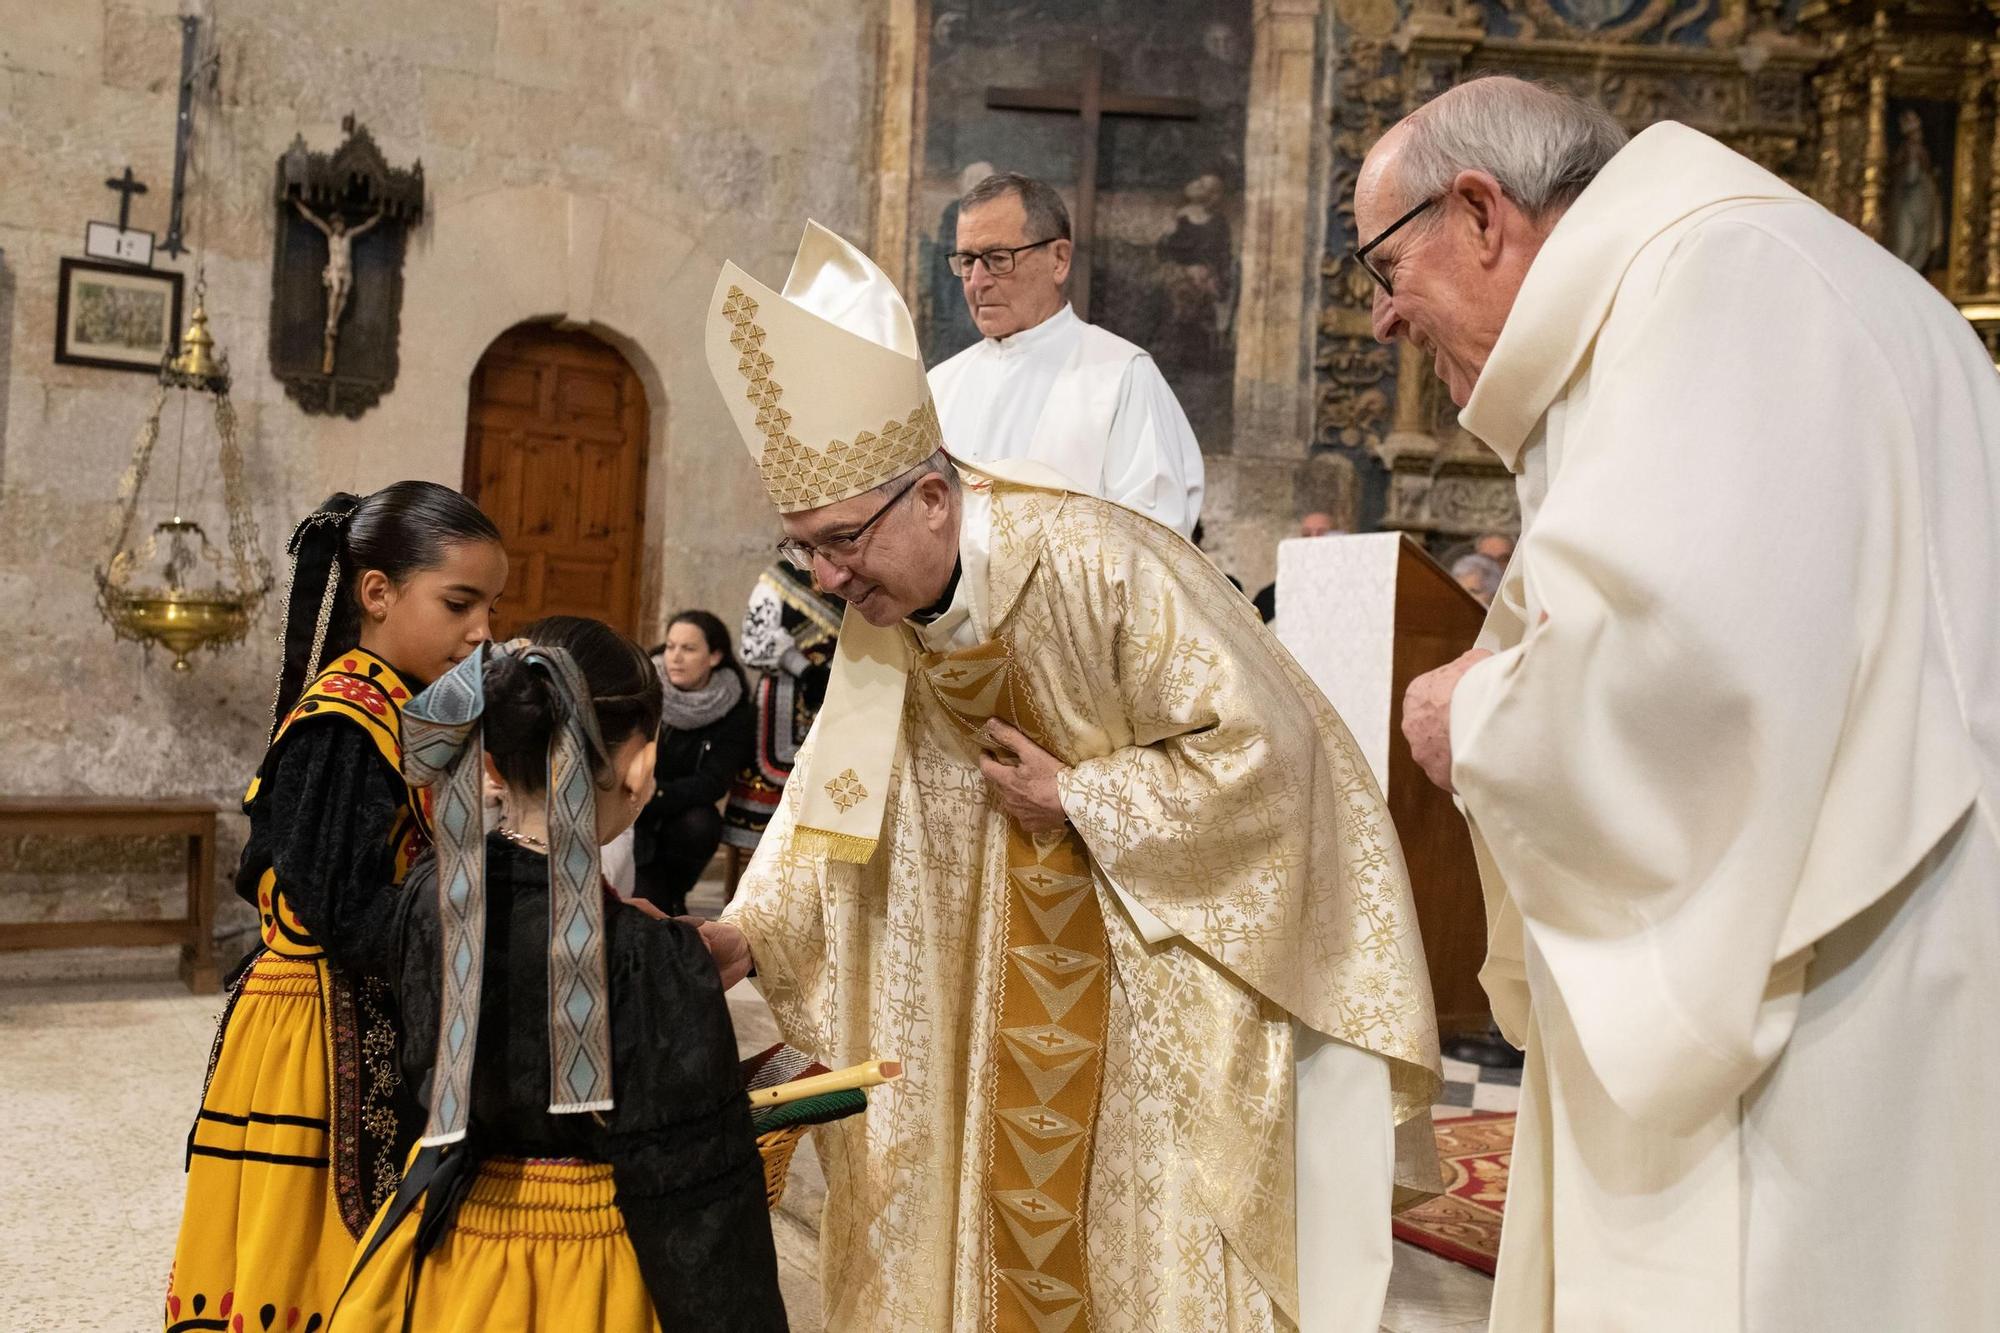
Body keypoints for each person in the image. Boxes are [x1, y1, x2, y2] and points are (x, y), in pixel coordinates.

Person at [698, 221, 1440, 1332]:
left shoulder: (1106, 563)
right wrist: (745, 934)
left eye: (844, 539)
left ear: (932, 500)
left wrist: (1084, 797)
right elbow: (827, 814)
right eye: (805, 545)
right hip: (966, 1004)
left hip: (1136, 992)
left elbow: (1275, 759)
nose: (826, 574)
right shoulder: (879, 619)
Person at [1365, 77, 2000, 1330]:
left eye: (1381, 264)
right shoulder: (1725, 272)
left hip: (1816, 989)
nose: (1382, 316)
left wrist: (1473, 717)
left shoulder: (1717, 285)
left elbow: (1694, 681)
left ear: (1481, 213)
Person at [327, 616, 786, 1331]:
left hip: (450, 1252)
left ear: (488, 762)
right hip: (588, 1271)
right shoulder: (645, 954)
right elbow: (699, 1196)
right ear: (640, 767)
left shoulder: (428, 896)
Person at [166, 482, 507, 1331]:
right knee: (303, 1247)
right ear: (378, 592)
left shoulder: (402, 704)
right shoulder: (345, 720)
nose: (482, 631)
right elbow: (337, 906)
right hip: (315, 1031)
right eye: (459, 603)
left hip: (358, 1007)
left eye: (491, 606)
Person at [928, 172, 1207, 537]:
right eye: (967, 261)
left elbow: (1154, 544)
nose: (977, 282)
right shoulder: (939, 384)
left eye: (997, 258)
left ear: (1059, 259)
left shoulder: (1122, 375)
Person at [630, 610, 754, 916]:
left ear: (714, 656)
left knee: (702, 823)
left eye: (688, 649)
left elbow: (713, 782)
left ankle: (675, 893)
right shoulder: (643, 686)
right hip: (634, 806)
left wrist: (657, 794)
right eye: (671, 646)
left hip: (679, 809)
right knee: (648, 904)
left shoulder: (733, 707)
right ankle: (661, 896)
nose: (675, 657)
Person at [722, 562, 841, 857]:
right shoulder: (780, 579)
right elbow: (755, 643)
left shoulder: (853, 576)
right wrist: (804, 670)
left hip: (841, 690)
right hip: (784, 693)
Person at [1253, 510, 1341, 622]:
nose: (1313, 540)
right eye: (1306, 534)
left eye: (1321, 533)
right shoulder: (1276, 592)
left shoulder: (1349, 586)